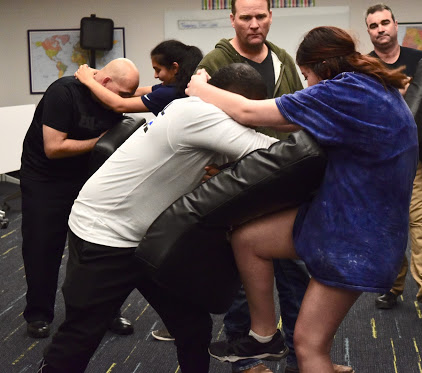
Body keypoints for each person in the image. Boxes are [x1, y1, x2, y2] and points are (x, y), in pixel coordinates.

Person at [185, 25, 418, 373]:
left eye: (306, 76)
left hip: (354, 236)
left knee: (309, 347)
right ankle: (264, 334)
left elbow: (251, 113)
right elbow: (287, 124)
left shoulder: (343, 92)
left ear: (322, 68)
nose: (306, 85)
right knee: (248, 239)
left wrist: (200, 89)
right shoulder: (369, 85)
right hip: (348, 217)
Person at [37, 63, 280, 373]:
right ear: (234, 100)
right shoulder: (200, 114)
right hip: (104, 235)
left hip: (145, 237)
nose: (250, 116)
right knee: (81, 334)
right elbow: (275, 154)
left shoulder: (192, 108)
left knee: (192, 325)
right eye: (248, 107)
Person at [169, 1, 309, 372]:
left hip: (282, 180)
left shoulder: (281, 59)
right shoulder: (215, 62)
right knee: (242, 278)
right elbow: (197, 116)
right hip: (236, 183)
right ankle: (247, 362)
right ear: (232, 19)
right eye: (245, 17)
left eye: (260, 16)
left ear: (270, 17)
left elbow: (295, 113)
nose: (254, 24)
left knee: (295, 274)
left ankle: (302, 358)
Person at [20, 58, 139, 339]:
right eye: (122, 95)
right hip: (45, 179)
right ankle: (38, 314)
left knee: (99, 248)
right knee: (42, 247)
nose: (122, 102)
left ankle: (105, 311)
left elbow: (154, 93)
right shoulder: (64, 93)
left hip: (87, 177)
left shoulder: (114, 94)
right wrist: (104, 140)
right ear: (106, 82)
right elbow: (54, 147)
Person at [365, 3, 422, 315]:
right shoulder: (362, 66)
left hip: (418, 156)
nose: (380, 29)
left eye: (385, 22)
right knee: (389, 225)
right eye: (374, 26)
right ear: (369, 31)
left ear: (395, 24)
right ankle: (391, 286)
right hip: (380, 159)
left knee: (421, 219)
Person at [74, 40, 203, 116]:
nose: (155, 76)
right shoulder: (177, 86)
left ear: (175, 68)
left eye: (158, 70)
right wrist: (100, 74)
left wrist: (89, 81)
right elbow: (134, 92)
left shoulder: (170, 93)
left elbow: (120, 105)